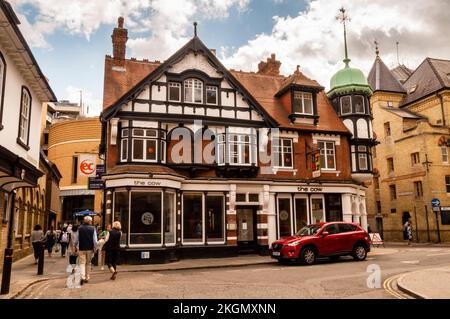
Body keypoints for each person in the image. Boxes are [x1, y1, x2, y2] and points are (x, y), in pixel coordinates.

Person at [73, 216, 97, 285]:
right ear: (90, 221)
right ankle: (87, 277)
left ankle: (82, 277)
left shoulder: (79, 228)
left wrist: (75, 246)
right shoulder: (93, 228)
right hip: (90, 249)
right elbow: (95, 241)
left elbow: (76, 239)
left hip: (81, 248)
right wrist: (95, 248)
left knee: (82, 263)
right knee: (88, 263)